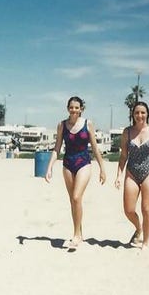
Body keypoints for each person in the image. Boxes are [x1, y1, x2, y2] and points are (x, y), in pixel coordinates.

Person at [44, 96, 106, 249]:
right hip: (68, 164)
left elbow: (95, 148)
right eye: (71, 107)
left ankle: (76, 235)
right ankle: (79, 231)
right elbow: (57, 148)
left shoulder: (87, 123)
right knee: (73, 200)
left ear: (81, 109)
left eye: (77, 108)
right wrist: (49, 167)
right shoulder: (62, 125)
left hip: (83, 162)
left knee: (77, 197)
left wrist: (102, 169)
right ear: (67, 108)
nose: (74, 110)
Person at [114, 101, 149, 251]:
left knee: (146, 209)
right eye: (137, 112)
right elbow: (123, 156)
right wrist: (118, 175)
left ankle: (146, 242)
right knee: (128, 210)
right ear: (133, 114)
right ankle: (139, 227)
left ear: (147, 114)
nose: (140, 115)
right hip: (131, 172)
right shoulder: (127, 132)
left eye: (143, 112)